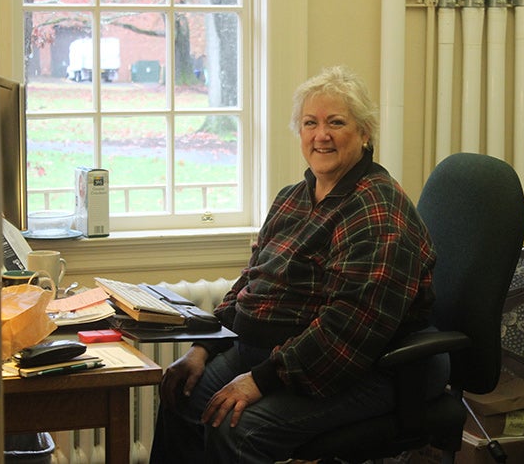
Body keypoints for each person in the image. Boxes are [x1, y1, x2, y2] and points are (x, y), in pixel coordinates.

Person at [150, 65, 449, 463]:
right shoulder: (294, 196)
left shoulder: (377, 211)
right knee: (179, 396)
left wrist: (260, 380)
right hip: (265, 354)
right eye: (310, 123)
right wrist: (204, 347)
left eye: (336, 123)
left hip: (356, 368)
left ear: (364, 133)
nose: (320, 135)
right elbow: (250, 283)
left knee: (236, 427)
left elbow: (348, 329)